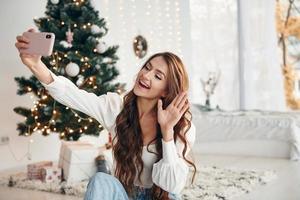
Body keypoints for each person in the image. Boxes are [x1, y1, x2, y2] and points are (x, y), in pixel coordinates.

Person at [15, 29, 197, 200]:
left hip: (162, 197)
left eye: (158, 76)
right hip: (125, 194)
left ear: (166, 90)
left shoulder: (182, 125)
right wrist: (36, 65)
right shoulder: (116, 108)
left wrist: (167, 131)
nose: (146, 75)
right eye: (147, 67)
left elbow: (172, 185)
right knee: (100, 179)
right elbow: (73, 95)